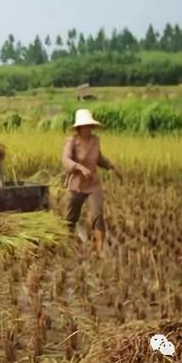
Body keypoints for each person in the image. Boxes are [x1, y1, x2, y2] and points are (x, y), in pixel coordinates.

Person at [62, 108, 122, 256]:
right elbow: (65, 160)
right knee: (71, 218)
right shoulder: (72, 141)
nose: (88, 128)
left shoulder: (95, 141)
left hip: (93, 184)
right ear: (79, 127)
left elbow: (99, 158)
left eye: (90, 125)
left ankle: (100, 249)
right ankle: (69, 247)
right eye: (85, 126)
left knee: (98, 214)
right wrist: (80, 168)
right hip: (76, 184)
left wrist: (111, 166)